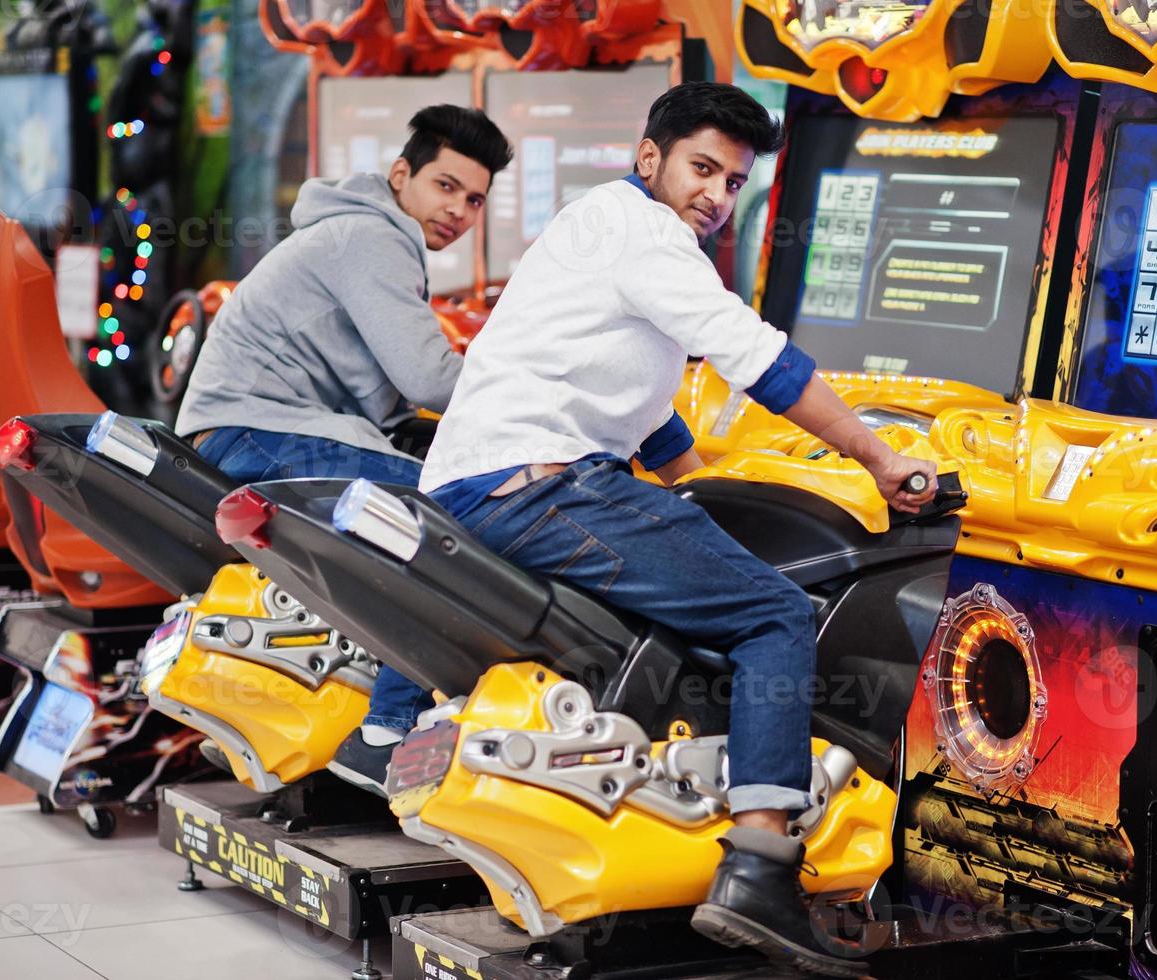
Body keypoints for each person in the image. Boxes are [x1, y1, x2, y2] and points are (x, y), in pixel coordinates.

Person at [416, 83, 936, 977]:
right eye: (703, 169)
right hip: (539, 487)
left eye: (734, 183)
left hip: (485, 481)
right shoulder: (652, 237)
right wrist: (877, 457)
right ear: (650, 155)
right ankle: (761, 869)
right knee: (773, 616)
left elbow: (617, 381)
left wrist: (696, 480)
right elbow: (757, 357)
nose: (715, 196)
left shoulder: (598, 220)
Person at [175, 104, 513, 795]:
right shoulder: (372, 238)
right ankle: (388, 730)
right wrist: (532, 386)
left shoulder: (361, 235)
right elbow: (428, 379)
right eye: (445, 186)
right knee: (451, 515)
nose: (458, 209)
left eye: (474, 199)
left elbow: (391, 396)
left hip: (246, 428)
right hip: (258, 430)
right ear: (401, 175)